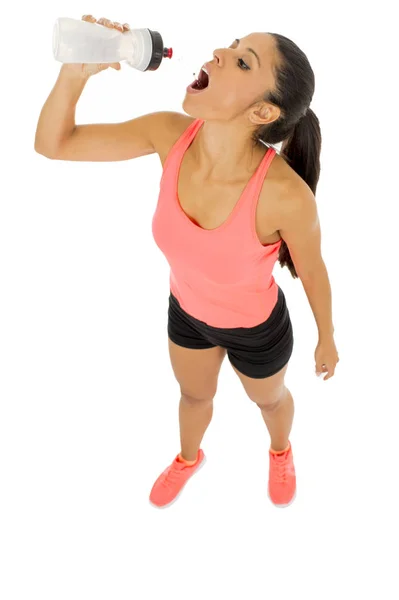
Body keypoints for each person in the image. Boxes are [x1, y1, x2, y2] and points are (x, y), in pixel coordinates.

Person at [35, 15, 339, 509]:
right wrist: (75, 72)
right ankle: (188, 457)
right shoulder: (168, 134)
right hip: (188, 314)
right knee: (194, 397)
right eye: (234, 44)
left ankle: (280, 450)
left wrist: (326, 336)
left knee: (269, 400)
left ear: (263, 112)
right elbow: (55, 144)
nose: (221, 52)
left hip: (257, 329)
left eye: (243, 61)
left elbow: (314, 269)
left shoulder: (286, 196)